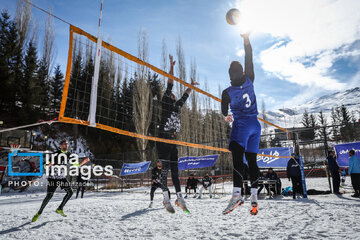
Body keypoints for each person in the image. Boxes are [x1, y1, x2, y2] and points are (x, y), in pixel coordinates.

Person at [221, 32, 260, 216]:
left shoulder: (227, 91)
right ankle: (253, 196)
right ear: (242, 72)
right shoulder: (250, 79)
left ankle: (237, 194)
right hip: (256, 126)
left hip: (242, 126)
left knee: (237, 158)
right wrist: (246, 39)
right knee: (252, 162)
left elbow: (223, 111)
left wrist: (226, 116)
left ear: (230, 75)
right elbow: (249, 57)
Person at [157, 54, 198, 213]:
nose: (172, 95)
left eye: (173, 95)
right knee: (164, 171)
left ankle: (179, 198)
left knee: (175, 171)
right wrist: (172, 67)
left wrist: (191, 86)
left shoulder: (177, 106)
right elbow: (170, 84)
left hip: (172, 141)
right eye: (171, 94)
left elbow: (185, 96)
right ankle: (166, 199)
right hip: (161, 139)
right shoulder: (166, 102)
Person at [32, 140, 75, 222]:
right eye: (64, 144)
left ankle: (60, 208)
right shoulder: (55, 154)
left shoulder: (69, 155)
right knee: (49, 196)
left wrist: (82, 162)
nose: (66, 146)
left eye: (67, 144)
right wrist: (48, 165)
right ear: (61, 145)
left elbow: (75, 164)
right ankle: (39, 213)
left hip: (62, 177)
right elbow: (45, 165)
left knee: (70, 192)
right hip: (53, 178)